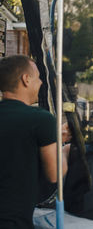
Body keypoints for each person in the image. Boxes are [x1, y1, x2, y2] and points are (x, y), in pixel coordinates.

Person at [0, 55, 71, 229]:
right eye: (38, 77)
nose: (40, 83)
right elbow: (55, 174)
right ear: (26, 79)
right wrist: (62, 147)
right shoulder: (40, 119)